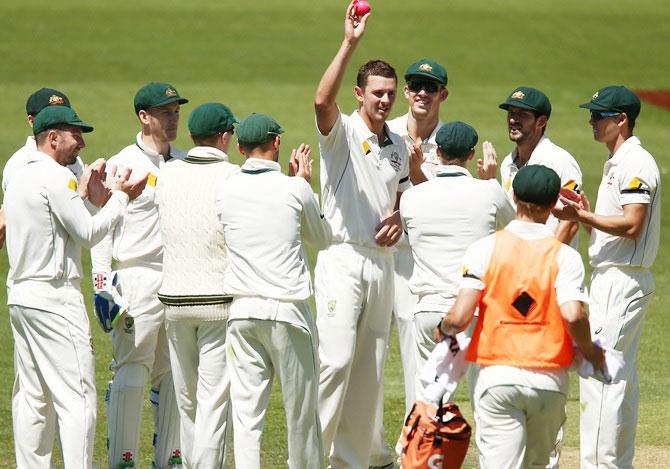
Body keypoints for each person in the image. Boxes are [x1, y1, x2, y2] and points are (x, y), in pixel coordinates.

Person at [435, 164, 604, 469]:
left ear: (513, 196)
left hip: (498, 377)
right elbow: (574, 315)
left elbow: (459, 317)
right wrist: (591, 351)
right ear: (554, 205)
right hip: (549, 381)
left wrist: (442, 328)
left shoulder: (483, 249)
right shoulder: (565, 257)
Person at [4, 105, 145, 468]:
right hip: (53, 298)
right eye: (75, 135)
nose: (81, 143)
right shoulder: (55, 177)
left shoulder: (19, 172)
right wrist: (121, 198)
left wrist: (84, 196)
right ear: (53, 138)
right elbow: (88, 233)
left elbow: (54, 220)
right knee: (78, 399)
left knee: (34, 397)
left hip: (21, 296)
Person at [313, 2, 411, 466]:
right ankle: (309, 455)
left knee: (369, 371)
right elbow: (320, 101)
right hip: (342, 257)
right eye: (376, 93)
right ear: (359, 93)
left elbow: (412, 195)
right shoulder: (342, 132)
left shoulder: (400, 144)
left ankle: (348, 461)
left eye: (390, 93)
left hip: (382, 263)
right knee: (334, 362)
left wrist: (403, 217)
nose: (385, 100)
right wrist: (349, 42)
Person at [553, 85, 660, 469]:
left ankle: (600, 466)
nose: (591, 121)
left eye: (599, 115)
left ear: (621, 120)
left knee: (599, 377)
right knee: (620, 377)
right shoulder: (616, 161)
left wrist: (580, 217)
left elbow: (632, 224)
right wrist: (586, 215)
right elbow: (613, 228)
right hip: (613, 277)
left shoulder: (637, 162)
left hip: (621, 281)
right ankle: (617, 464)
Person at [216, 114, 331, 469]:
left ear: (240, 148)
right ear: (277, 144)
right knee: (302, 414)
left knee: (246, 415)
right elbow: (322, 239)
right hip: (287, 313)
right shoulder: (293, 187)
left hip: (241, 313)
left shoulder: (226, 187)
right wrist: (303, 181)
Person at [90, 82, 188, 469]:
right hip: (136, 278)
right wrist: (102, 286)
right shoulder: (121, 163)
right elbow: (101, 229)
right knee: (132, 371)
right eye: (165, 112)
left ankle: (170, 459)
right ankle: (122, 460)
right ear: (144, 117)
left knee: (176, 373)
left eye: (176, 111)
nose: (173, 117)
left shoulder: (185, 162)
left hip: (180, 279)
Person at [368, 58, 450, 468]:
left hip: (423, 268)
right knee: (373, 357)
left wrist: (407, 209)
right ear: (406, 92)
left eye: (430, 87)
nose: (422, 92)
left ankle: (414, 453)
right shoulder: (385, 130)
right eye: (415, 85)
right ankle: (374, 451)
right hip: (381, 260)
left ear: (443, 95)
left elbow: (454, 206)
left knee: (418, 363)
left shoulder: (453, 142)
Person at [400, 121, 514, 400]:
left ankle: (423, 445)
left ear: (437, 152)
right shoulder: (489, 191)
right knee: (486, 398)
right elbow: (513, 227)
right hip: (474, 312)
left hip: (428, 312)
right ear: (472, 154)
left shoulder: (411, 197)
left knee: (429, 401)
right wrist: (490, 181)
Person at [156, 102, 240, 468]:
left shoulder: (167, 173)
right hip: (217, 302)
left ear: (191, 136)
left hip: (174, 301)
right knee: (213, 402)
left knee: (187, 400)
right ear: (224, 137)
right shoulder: (233, 176)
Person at [497, 86, 583, 247]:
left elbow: (570, 219)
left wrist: (542, 259)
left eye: (522, 115)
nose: (512, 120)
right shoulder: (507, 163)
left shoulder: (560, 161)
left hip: (549, 265)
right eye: (511, 113)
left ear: (541, 121)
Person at [1, 88, 85, 250]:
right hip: (38, 266)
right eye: (49, 114)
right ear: (32, 121)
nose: (56, 119)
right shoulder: (19, 164)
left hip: (66, 262)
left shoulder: (74, 161)